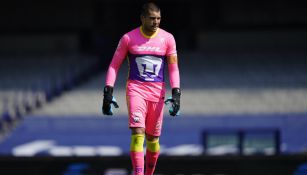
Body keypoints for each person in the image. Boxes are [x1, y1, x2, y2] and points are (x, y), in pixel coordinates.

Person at [102, 2, 181, 175]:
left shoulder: (168, 39)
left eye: (159, 18)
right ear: (143, 18)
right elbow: (114, 66)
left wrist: (176, 93)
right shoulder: (128, 38)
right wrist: (108, 91)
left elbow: (173, 68)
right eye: (152, 18)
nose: (156, 22)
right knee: (138, 133)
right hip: (136, 90)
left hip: (157, 92)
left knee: (153, 139)